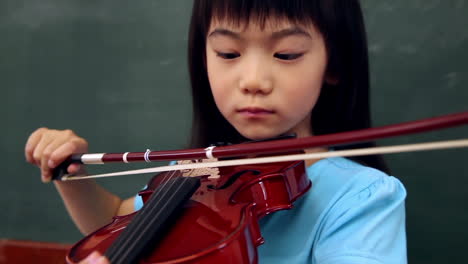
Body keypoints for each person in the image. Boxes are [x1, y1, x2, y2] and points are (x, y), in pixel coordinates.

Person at [24, 0, 407, 263]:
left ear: (333, 64)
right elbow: (118, 220)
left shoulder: (362, 198)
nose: (253, 80)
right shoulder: (201, 169)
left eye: (286, 54)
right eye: (228, 53)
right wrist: (70, 175)